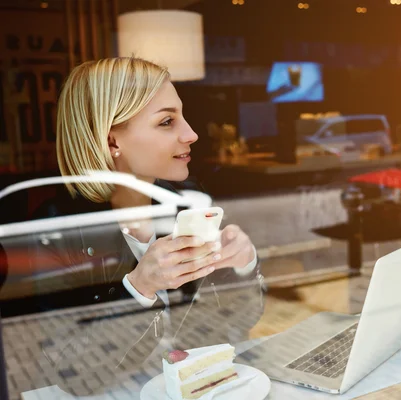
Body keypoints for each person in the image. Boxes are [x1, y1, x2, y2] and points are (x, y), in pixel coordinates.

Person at [27, 57, 264, 396]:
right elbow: (72, 373)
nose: (191, 134)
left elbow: (234, 325)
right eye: (167, 121)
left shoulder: (185, 205)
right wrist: (139, 287)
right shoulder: (55, 231)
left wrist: (241, 266)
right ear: (112, 143)